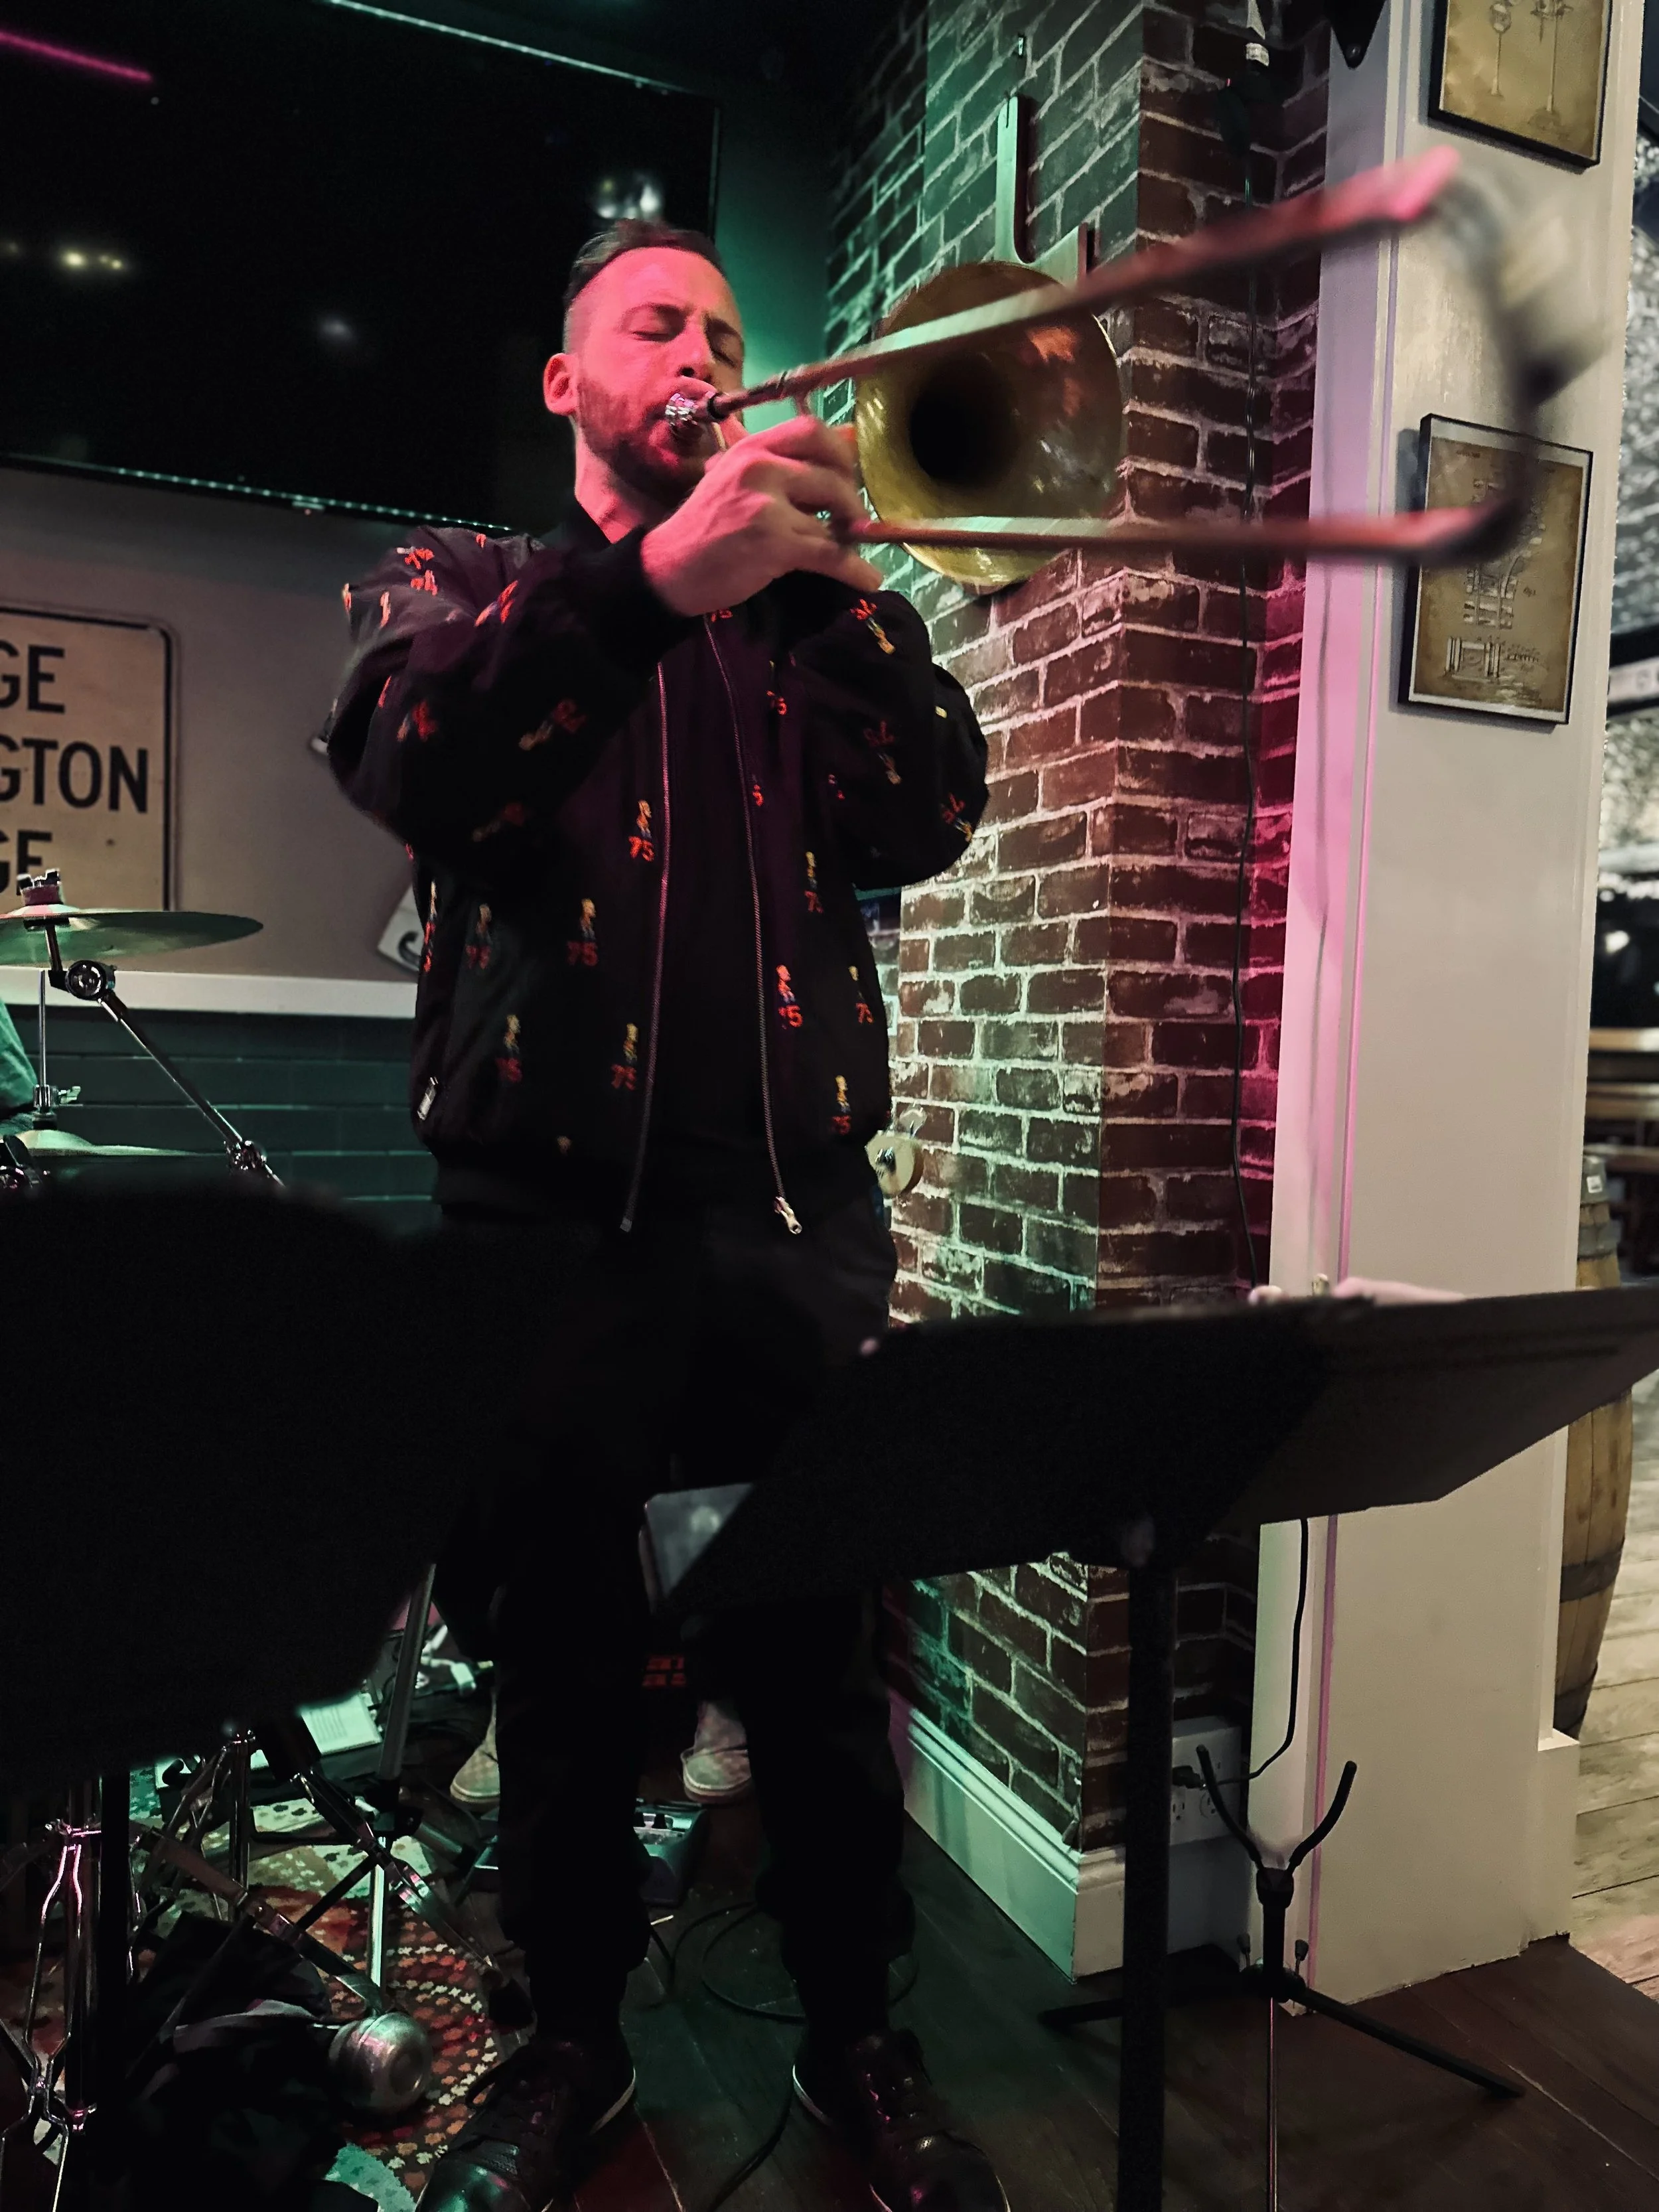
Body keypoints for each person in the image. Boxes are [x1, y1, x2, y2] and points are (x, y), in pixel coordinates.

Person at [322, 218, 1000, 2212]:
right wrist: (645, 588)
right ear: (568, 384)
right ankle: (567, 2048)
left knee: (813, 1662)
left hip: (792, 1222)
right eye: (655, 322)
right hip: (541, 1229)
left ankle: (862, 2039)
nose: (700, 349)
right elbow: (415, 762)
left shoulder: (800, 635)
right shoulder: (469, 587)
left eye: (723, 325)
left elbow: (931, 816)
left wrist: (832, 588)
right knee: (558, 1660)